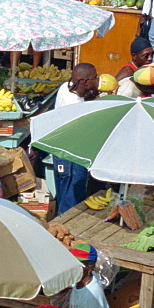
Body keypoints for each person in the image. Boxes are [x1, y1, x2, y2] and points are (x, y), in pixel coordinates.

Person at [52, 63, 98, 214]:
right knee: (71, 203)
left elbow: (81, 96)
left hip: (60, 154)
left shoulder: (66, 87)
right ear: (85, 82)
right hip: (71, 157)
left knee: (64, 195)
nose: (97, 80)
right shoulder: (75, 105)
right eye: (94, 78)